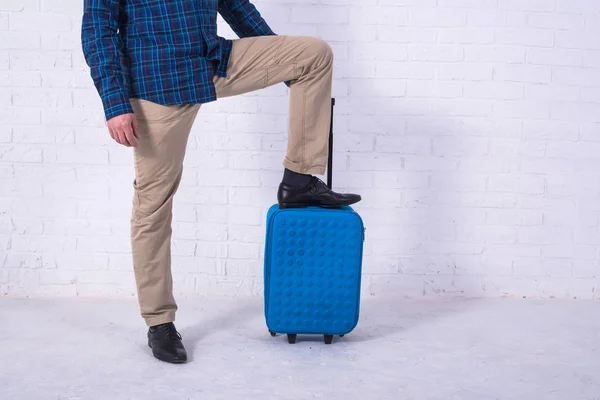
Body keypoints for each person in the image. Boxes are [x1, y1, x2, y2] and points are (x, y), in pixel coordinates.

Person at [81, 0, 361, 364]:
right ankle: (159, 321)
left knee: (312, 53)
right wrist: (115, 103)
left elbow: (236, 7)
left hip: (212, 61)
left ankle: (299, 179)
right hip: (156, 85)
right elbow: (98, 33)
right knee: (153, 207)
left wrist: (282, 63)